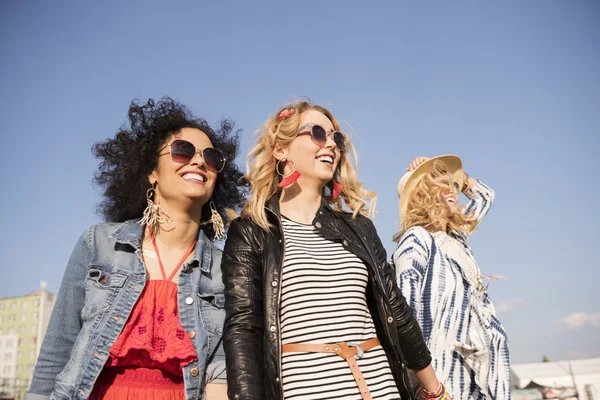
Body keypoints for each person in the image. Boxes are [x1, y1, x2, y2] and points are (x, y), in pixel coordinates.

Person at [221, 102, 451, 400]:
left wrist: (435, 390)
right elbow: (244, 330)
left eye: (336, 138)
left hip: (381, 388)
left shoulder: (359, 228)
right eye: (317, 133)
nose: (330, 143)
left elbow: (397, 310)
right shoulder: (252, 230)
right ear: (281, 149)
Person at [26, 97, 246, 400]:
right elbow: (56, 352)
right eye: (183, 151)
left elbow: (219, 375)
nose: (198, 162)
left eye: (210, 157)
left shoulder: (225, 271)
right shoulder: (98, 243)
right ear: (151, 172)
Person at [392, 155, 510, 399]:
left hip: (481, 379)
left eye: (452, 185)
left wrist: (454, 174)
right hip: (442, 383)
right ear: (422, 196)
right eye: (440, 186)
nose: (451, 190)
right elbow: (406, 315)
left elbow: (484, 196)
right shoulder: (417, 240)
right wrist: (428, 386)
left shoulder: (457, 239)